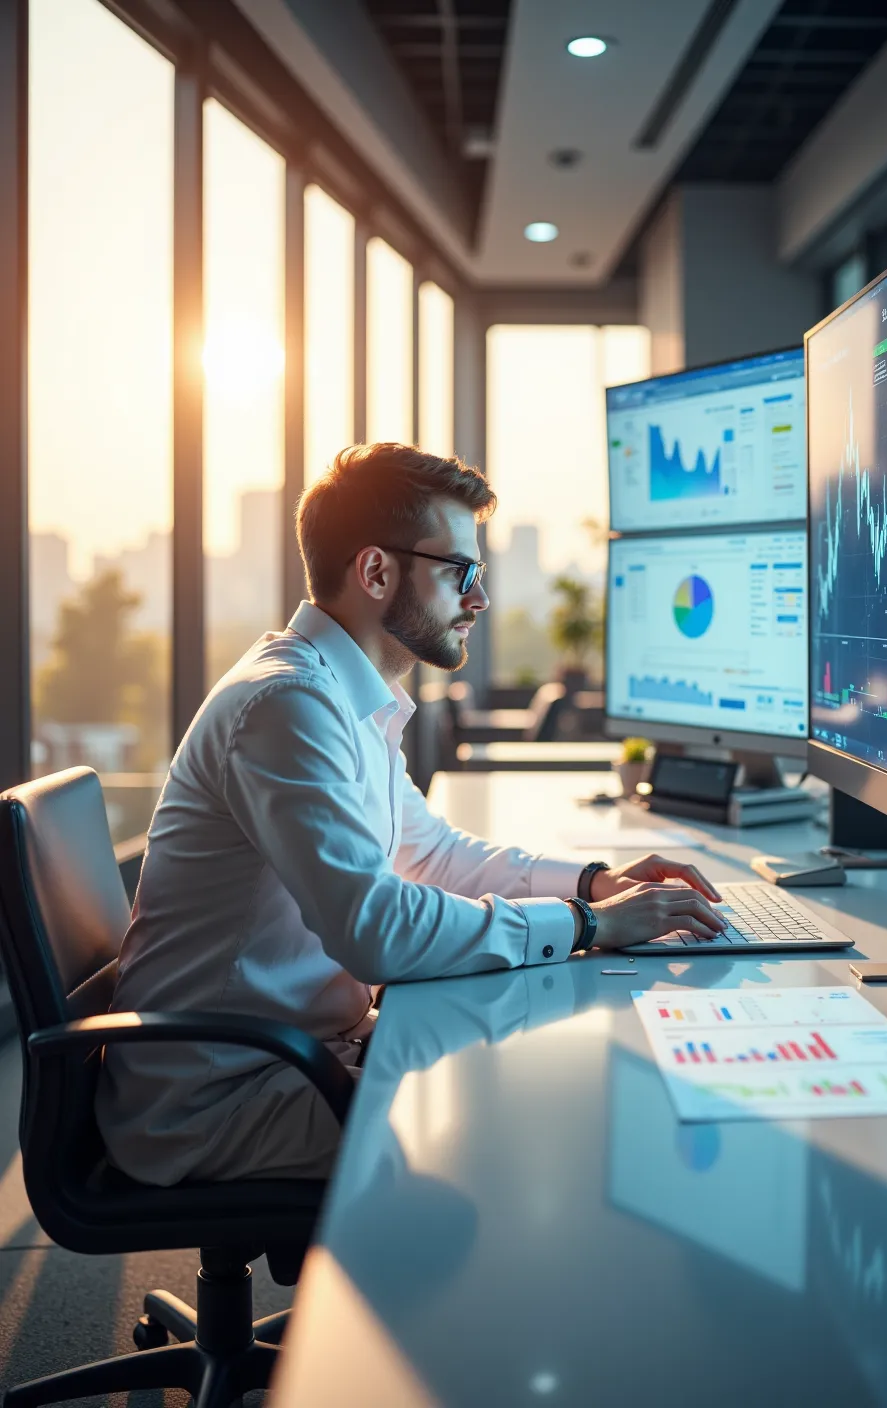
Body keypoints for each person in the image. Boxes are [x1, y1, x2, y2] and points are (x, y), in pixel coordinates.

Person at [95, 443, 726, 1184]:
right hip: (216, 1095)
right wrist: (586, 928)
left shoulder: (341, 696)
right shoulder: (287, 706)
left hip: (292, 1050)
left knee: (530, 1075)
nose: (479, 600)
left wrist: (592, 886)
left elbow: (433, 857)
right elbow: (376, 932)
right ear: (375, 571)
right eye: (461, 572)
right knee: (520, 1131)